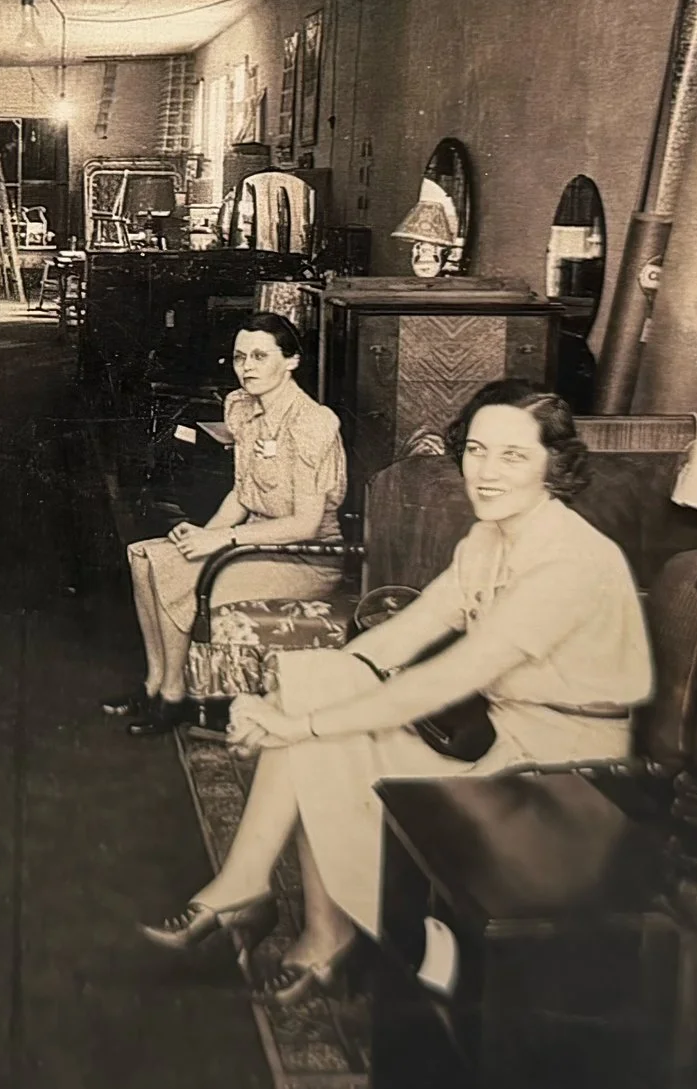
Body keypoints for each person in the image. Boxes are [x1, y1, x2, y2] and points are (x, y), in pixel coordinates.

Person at [140, 391, 649, 1000]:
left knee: (318, 733)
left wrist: (297, 724)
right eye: (477, 450)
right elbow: (405, 633)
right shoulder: (491, 538)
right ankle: (270, 899)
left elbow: (447, 677)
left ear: (553, 465)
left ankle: (286, 913)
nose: (486, 472)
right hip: (504, 747)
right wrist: (292, 703)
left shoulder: (570, 561)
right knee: (317, 682)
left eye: (513, 455)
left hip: (565, 784)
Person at [102, 313, 346, 735]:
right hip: (258, 541)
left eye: (260, 356)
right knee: (143, 556)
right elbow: (241, 494)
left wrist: (221, 541)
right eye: (239, 357)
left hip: (305, 557)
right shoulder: (244, 408)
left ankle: (174, 697)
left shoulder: (311, 422)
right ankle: (154, 683)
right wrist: (205, 536)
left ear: (291, 361)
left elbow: (305, 525)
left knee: (176, 571)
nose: (247, 367)